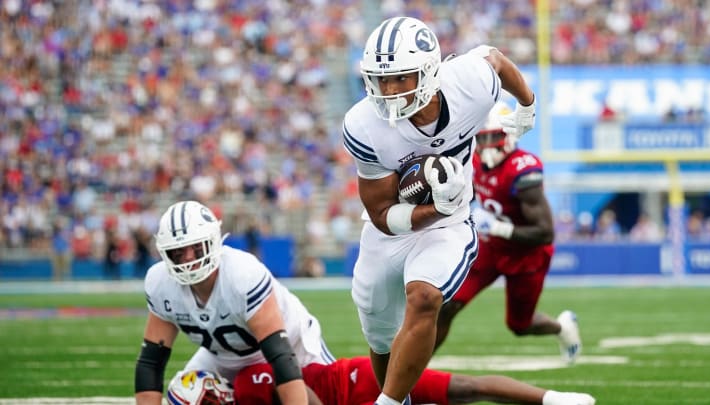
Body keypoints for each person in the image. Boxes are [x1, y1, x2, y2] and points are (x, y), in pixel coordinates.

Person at [342, 16, 537, 405]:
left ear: (430, 71)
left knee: (425, 297)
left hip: (450, 222)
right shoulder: (364, 124)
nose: (390, 91)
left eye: (401, 78)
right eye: (382, 80)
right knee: (380, 335)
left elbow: (497, 61)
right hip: (391, 228)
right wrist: (429, 208)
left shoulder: (468, 84)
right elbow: (381, 212)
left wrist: (527, 104)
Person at [134, 200, 334, 405]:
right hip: (224, 356)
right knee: (184, 396)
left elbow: (281, 356)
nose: (188, 258)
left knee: (328, 398)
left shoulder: (241, 275)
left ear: (213, 242)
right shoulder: (160, 283)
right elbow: (151, 363)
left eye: (197, 247)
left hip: (293, 345)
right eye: (178, 251)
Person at [434, 102, 582, 365]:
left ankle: (562, 328)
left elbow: (545, 232)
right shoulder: (473, 160)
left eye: (493, 137)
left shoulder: (522, 170)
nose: (486, 144)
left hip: (527, 254)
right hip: (490, 248)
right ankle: (412, 375)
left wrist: (499, 227)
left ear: (509, 136)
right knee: (445, 306)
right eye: (482, 138)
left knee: (519, 325)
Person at [230, 356, 596, 405]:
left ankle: (552, 398)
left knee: (462, 387)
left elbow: (304, 392)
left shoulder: (245, 383)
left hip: (355, 382)